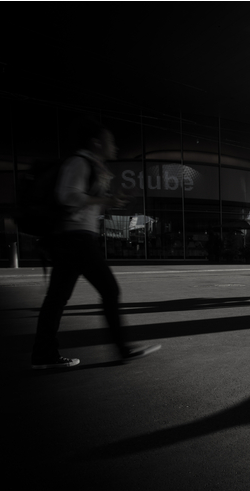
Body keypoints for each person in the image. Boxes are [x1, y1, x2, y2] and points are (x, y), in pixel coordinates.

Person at [31, 119, 161, 369]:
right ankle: (123, 349)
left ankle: (43, 354)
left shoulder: (91, 166)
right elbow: (67, 196)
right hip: (76, 238)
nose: (114, 145)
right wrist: (105, 199)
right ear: (96, 142)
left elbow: (82, 200)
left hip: (75, 238)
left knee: (57, 299)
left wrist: (108, 201)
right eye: (110, 140)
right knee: (109, 290)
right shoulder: (79, 162)